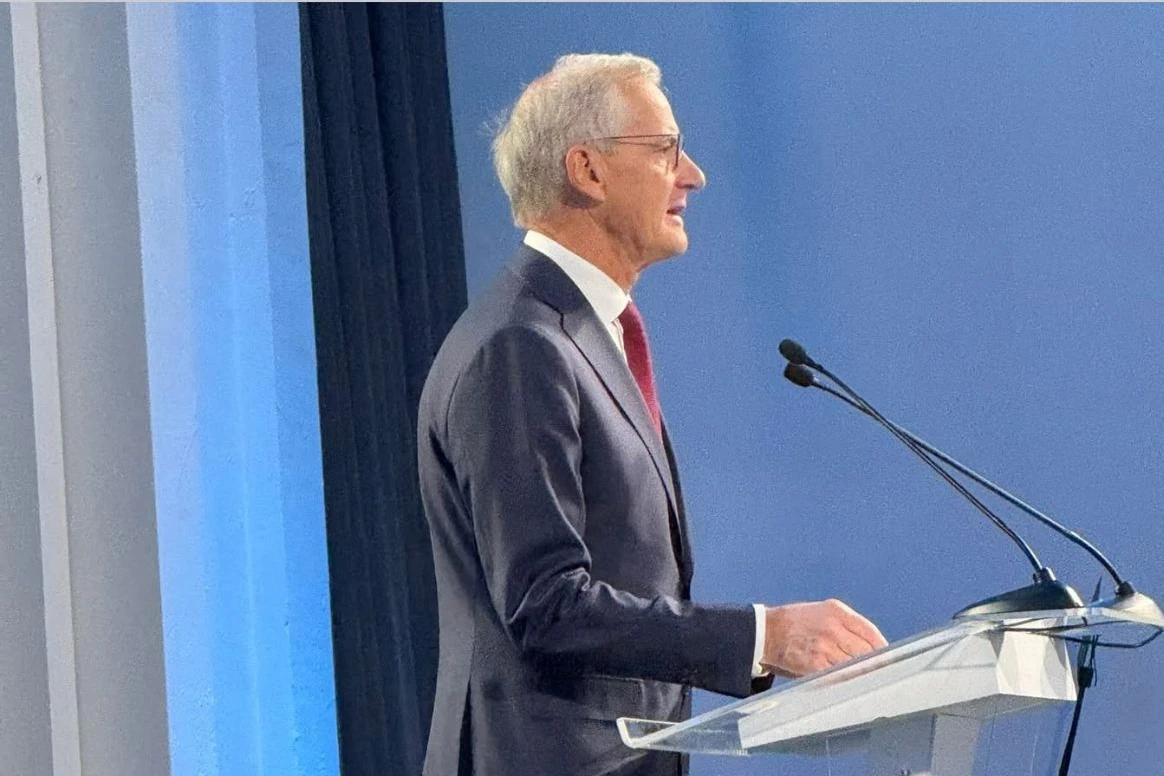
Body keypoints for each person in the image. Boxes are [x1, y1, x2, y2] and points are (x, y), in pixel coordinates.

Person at [417, 53, 887, 776]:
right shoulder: (519, 344)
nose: (692, 173)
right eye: (665, 149)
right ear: (588, 170)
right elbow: (546, 605)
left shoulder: (577, 334)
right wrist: (766, 637)